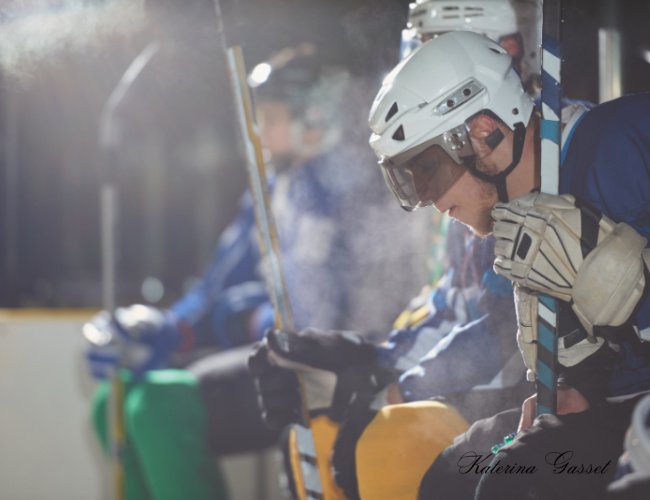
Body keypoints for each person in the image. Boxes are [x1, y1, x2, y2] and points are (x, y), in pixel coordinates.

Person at [84, 39, 431, 500]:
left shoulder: (357, 191)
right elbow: (217, 287)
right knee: (111, 402)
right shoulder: (270, 191)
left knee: (159, 406)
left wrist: (249, 315)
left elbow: (332, 311)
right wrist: (164, 331)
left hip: (330, 372)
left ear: (316, 118)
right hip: (268, 356)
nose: (258, 134)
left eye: (270, 118)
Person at [366, 29, 650, 499]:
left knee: (515, 481)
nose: (432, 201)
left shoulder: (620, 140)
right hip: (619, 403)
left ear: (483, 133)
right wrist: (578, 388)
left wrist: (631, 285)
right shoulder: (512, 218)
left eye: (429, 170)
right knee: (452, 475)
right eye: (411, 181)